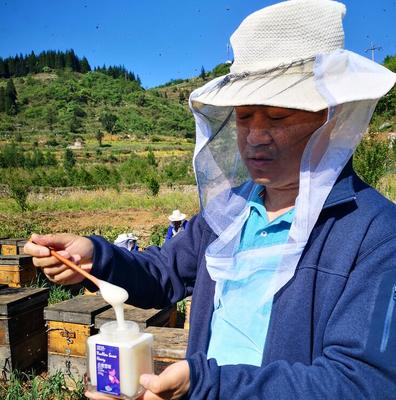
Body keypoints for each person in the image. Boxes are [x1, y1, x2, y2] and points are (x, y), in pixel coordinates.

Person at [24, 1, 396, 399]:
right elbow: (164, 272)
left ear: (331, 117)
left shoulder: (375, 234)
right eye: (243, 116)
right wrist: (97, 257)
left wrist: (207, 385)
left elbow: (362, 381)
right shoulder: (230, 211)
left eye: (276, 117)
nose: (254, 136)